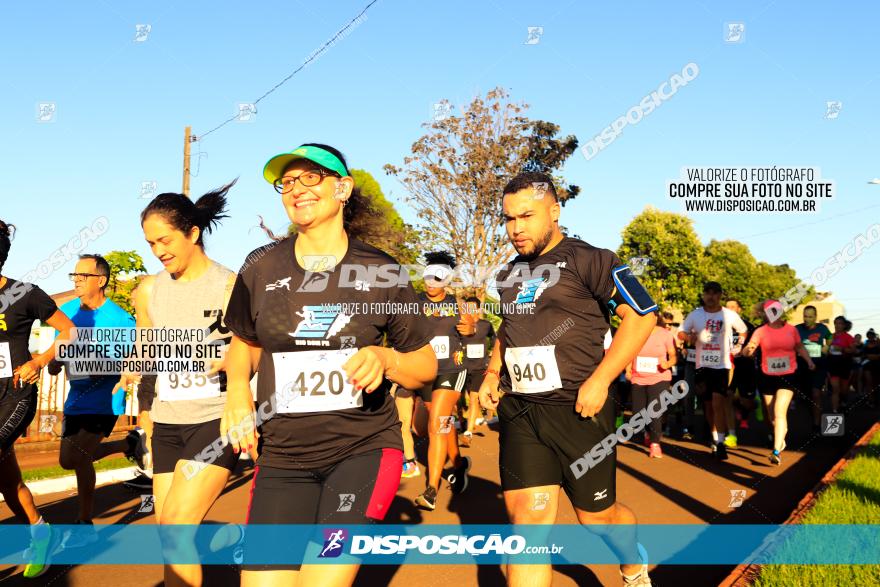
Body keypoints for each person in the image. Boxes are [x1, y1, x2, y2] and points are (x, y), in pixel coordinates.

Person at [221, 143, 436, 586]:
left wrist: (385, 357)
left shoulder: (381, 270)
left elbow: (425, 364)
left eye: (310, 177)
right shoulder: (259, 267)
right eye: (287, 181)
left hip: (362, 451)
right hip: (282, 457)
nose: (296, 189)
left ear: (343, 188)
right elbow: (244, 340)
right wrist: (238, 392)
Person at [480, 172, 657, 587]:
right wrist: (493, 371)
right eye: (508, 219)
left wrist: (601, 379)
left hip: (581, 410)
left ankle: (632, 562)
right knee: (528, 523)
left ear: (555, 212)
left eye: (527, 216)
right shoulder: (508, 275)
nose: (516, 228)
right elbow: (509, 328)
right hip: (522, 409)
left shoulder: (592, 259)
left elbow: (642, 316)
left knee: (597, 519)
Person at [126, 183, 239, 586]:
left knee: (177, 526)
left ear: (192, 232)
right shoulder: (149, 289)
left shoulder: (230, 286)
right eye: (150, 243)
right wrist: (144, 411)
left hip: (215, 420)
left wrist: (227, 362)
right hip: (168, 421)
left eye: (165, 240)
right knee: (169, 535)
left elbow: (256, 352)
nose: (158, 251)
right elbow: (147, 351)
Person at [51, 254, 146, 546]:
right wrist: (55, 359)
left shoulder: (120, 320)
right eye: (74, 275)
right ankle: (127, 444)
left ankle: (84, 522)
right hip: (75, 400)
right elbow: (55, 361)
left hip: (106, 399)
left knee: (77, 456)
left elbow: (129, 362)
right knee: (72, 461)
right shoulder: (65, 313)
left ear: (101, 281)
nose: (77, 280)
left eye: (83, 275)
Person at [0, 219, 76, 578]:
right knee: (7, 480)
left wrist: (41, 359)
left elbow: (69, 331)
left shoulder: (24, 293)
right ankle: (39, 529)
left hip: (16, 393)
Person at [413, 251, 474, 510]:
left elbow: (471, 330)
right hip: (425, 371)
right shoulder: (413, 304)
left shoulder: (458, 305)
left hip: (452, 368)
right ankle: (459, 464)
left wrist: (469, 329)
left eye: (438, 278)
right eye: (428, 277)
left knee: (438, 422)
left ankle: (431, 490)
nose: (431, 283)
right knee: (433, 423)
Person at [743, 301, 815, 465]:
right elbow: (750, 348)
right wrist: (747, 350)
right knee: (772, 417)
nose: (772, 313)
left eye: (775, 310)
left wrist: (809, 361)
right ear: (765, 313)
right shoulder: (760, 331)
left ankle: (776, 452)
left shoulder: (791, 330)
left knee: (779, 411)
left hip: (788, 375)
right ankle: (780, 438)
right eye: (769, 311)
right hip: (767, 376)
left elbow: (799, 347)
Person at [680, 282, 747, 460]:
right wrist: (689, 337)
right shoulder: (696, 314)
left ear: (720, 295)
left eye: (714, 293)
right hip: (702, 366)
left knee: (718, 402)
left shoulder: (729, 314)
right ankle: (715, 437)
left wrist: (739, 346)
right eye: (707, 293)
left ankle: (720, 443)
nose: (711, 296)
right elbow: (681, 332)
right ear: (703, 295)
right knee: (708, 405)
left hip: (721, 365)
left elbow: (743, 330)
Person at [625, 312, 677, 458]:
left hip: (659, 377)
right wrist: (628, 369)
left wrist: (667, 363)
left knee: (655, 410)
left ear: (656, 318)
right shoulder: (635, 332)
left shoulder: (665, 334)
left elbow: (673, 355)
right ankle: (648, 431)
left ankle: (655, 444)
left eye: (651, 316)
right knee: (638, 413)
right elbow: (629, 352)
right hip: (638, 377)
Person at [460, 296, 495, 446]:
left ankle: (468, 433)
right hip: (461, 368)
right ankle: (461, 422)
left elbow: (494, 337)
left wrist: (493, 351)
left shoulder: (486, 325)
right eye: (467, 308)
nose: (470, 311)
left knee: (474, 398)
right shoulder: (460, 325)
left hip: (479, 368)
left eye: (472, 308)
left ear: (479, 309)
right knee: (457, 400)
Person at [724, 299, 757, 447]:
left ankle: (748, 406)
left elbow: (754, 346)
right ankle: (732, 434)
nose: (730, 309)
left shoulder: (748, 327)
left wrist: (747, 352)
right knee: (727, 396)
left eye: (733, 307)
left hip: (745, 367)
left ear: (739, 310)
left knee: (747, 402)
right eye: (727, 307)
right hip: (727, 366)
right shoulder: (721, 326)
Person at [795, 305, 832, 433]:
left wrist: (827, 346)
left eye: (810, 317)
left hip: (819, 364)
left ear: (815, 317)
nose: (807, 319)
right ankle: (811, 414)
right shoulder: (797, 329)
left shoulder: (822, 328)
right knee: (806, 396)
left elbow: (830, 338)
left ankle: (817, 424)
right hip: (802, 365)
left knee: (816, 393)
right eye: (805, 316)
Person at [828, 315, 858, 413]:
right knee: (835, 388)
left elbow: (853, 351)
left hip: (845, 364)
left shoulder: (848, 337)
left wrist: (842, 349)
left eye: (840, 323)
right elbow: (826, 349)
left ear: (844, 325)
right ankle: (835, 410)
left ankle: (843, 401)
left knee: (844, 389)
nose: (837, 325)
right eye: (836, 323)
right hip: (833, 364)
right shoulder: (831, 336)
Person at [864, 329, 880, 408]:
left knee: (876, 383)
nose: (870, 336)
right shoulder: (865, 345)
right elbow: (863, 355)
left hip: (877, 365)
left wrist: (875, 357)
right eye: (869, 335)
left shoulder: (878, 344)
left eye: (872, 335)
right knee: (869, 383)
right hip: (868, 365)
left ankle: (875, 400)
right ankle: (871, 400)